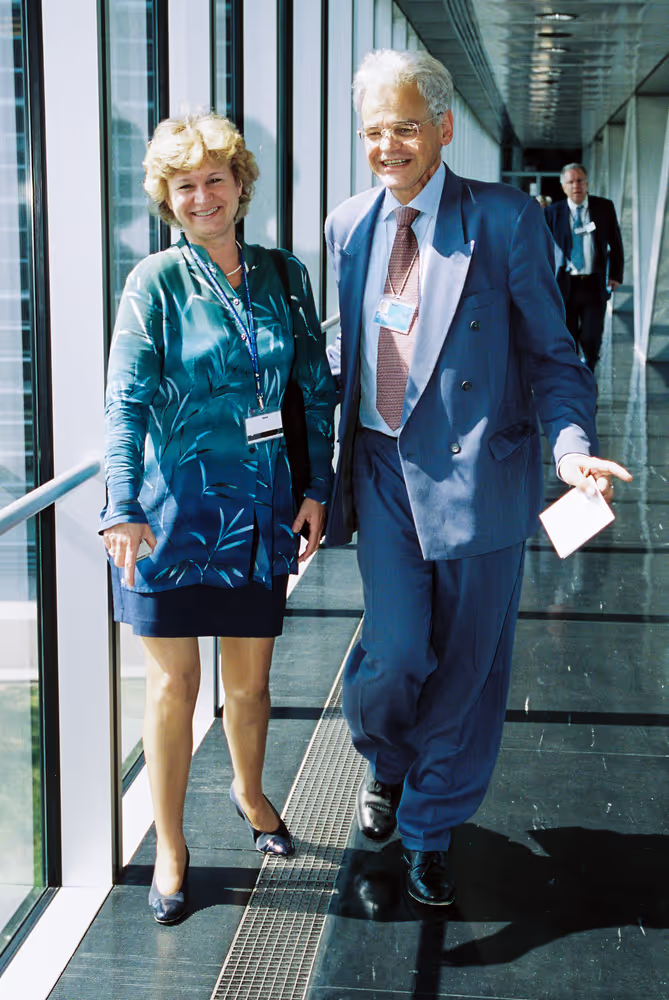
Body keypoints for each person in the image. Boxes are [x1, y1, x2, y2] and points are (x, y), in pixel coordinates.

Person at [325, 50, 632, 907]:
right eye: (374, 131)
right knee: (390, 657)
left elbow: (552, 354)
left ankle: (427, 828)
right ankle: (386, 764)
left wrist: (569, 447)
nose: (389, 145)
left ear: (443, 129)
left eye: (405, 127)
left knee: (465, 670)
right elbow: (342, 354)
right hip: (383, 469)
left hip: (478, 477)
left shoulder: (501, 221)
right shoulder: (348, 225)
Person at [101, 114, 336, 924]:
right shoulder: (153, 283)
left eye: (214, 180)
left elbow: (311, 386)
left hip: (260, 517)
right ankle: (170, 844)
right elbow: (124, 402)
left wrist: (316, 486)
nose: (202, 197)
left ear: (241, 184)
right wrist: (121, 505)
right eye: (184, 186)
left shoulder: (283, 275)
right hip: (167, 522)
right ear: (167, 200)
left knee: (251, 685)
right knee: (173, 686)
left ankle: (247, 790)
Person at [545, 163, 624, 373]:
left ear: (587, 183)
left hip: (593, 283)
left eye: (580, 180)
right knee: (568, 336)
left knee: (591, 336)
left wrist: (615, 274)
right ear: (563, 187)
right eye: (571, 182)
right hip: (565, 284)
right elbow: (542, 249)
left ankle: (589, 368)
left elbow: (615, 243)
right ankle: (573, 376)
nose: (576, 185)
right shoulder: (553, 213)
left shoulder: (603, 208)